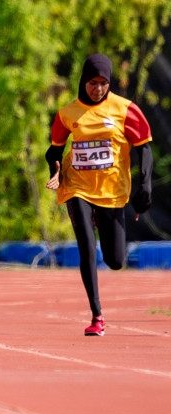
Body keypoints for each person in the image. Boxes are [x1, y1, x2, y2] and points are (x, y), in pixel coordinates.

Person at [46, 53, 153, 336]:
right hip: (77, 186)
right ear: (84, 81)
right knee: (85, 243)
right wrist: (54, 171)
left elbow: (144, 146)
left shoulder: (126, 109)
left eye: (103, 83)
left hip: (111, 191)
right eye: (92, 83)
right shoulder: (67, 113)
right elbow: (54, 150)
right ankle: (97, 315)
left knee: (116, 261)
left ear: (110, 82)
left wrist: (145, 185)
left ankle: (99, 217)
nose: (97, 89)